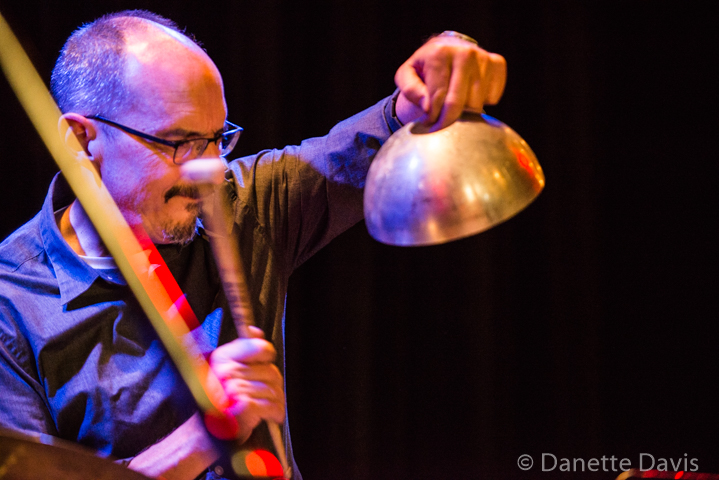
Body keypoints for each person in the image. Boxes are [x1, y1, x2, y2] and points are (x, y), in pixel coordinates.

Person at [0, 10, 507, 480]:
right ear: (83, 141)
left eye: (218, 139)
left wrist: (440, 71)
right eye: (179, 143)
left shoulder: (243, 206)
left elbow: (377, 136)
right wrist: (204, 436)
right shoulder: (11, 301)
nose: (211, 169)